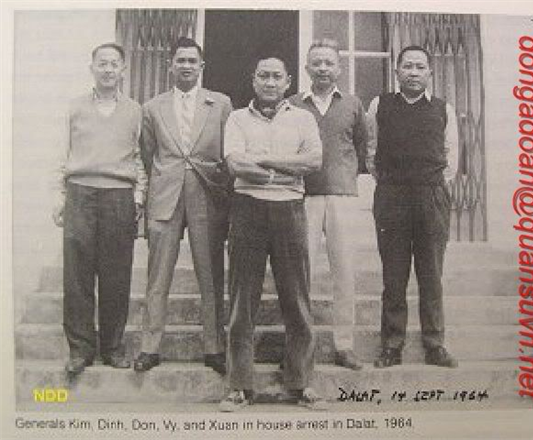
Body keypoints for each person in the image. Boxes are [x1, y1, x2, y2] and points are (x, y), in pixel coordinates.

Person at [220, 56, 327, 412]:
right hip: (247, 208)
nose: (269, 82)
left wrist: (263, 161)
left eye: (276, 76)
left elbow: (313, 162)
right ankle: (239, 386)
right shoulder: (237, 118)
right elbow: (235, 163)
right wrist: (282, 169)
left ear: (288, 82)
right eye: (263, 76)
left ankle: (301, 383)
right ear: (253, 80)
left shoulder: (303, 118)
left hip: (289, 209)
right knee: (242, 300)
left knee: (296, 297)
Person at [133, 37, 232, 375]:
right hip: (165, 196)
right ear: (170, 65)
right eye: (181, 60)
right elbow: (149, 155)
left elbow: (228, 153)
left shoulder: (220, 104)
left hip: (207, 195)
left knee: (211, 275)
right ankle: (150, 347)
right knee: (157, 275)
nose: (186, 66)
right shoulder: (153, 107)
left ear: (202, 66)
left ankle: (214, 347)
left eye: (192, 60)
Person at [52, 42, 146, 376]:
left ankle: (113, 347)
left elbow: (140, 158)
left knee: (116, 274)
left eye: (113, 64)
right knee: (77, 275)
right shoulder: (74, 107)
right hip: (80, 193)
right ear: (92, 68)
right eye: (102, 63)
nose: (108, 69)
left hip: (119, 196)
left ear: (123, 70)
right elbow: (61, 154)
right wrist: (60, 197)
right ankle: (80, 349)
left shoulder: (135, 110)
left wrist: (138, 198)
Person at [366, 45, 459, 368]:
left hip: (431, 196)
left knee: (431, 273)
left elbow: (451, 158)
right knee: (394, 275)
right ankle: (392, 345)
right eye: (408, 66)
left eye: (420, 67)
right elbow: (371, 150)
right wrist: (392, 183)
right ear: (397, 71)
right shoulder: (380, 105)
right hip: (392, 196)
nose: (414, 73)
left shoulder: (443, 109)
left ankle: (434, 344)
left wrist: (429, 186)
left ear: (430, 72)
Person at [289, 39, 369, 370]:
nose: (323, 68)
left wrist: (345, 177)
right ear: (307, 68)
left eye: (329, 63)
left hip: (342, 196)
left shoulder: (353, 104)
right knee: (300, 272)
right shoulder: (293, 105)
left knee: (344, 272)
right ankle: (299, 347)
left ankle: (344, 345)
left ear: (339, 68)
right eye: (317, 63)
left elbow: (362, 148)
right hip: (303, 196)